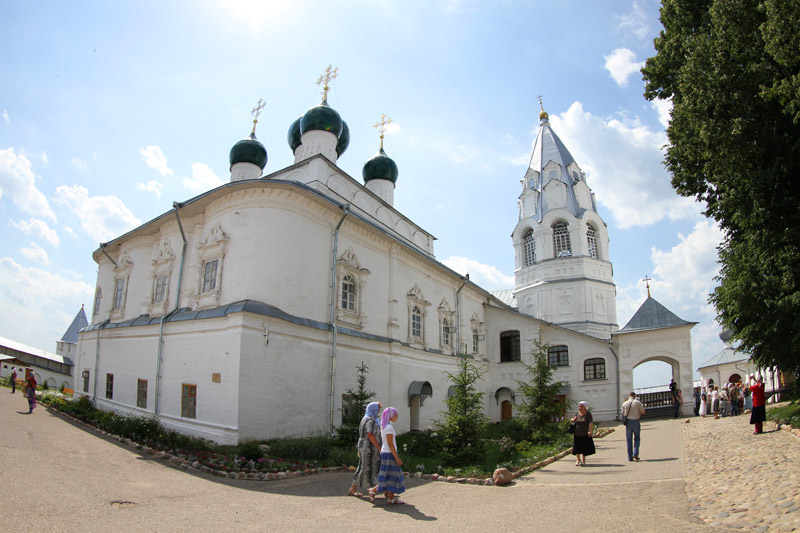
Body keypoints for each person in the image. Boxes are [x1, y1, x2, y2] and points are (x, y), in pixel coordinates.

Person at [348, 401, 382, 499]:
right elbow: (370, 434)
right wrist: (379, 447)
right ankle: (354, 488)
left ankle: (358, 487)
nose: (379, 411)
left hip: (366, 446)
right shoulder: (369, 420)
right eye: (378, 409)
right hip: (368, 447)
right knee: (364, 466)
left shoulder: (368, 418)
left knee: (364, 466)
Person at [375, 407, 405, 504]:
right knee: (393, 475)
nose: (397, 417)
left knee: (388, 474)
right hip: (389, 453)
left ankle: (390, 497)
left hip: (386, 452)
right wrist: (397, 458)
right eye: (396, 415)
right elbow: (390, 443)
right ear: (391, 416)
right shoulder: (388, 428)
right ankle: (374, 491)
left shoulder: (385, 426)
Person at [622, 392, 645, 462]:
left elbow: (623, 414)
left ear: (629, 396)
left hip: (628, 422)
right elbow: (643, 411)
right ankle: (635, 453)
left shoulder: (624, 404)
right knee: (637, 438)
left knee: (629, 440)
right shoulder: (637, 402)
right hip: (636, 421)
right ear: (634, 396)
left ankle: (630, 457)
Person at [570, 401, 595, 466]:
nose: (580, 408)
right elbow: (572, 419)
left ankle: (583, 460)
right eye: (579, 406)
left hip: (584, 433)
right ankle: (578, 460)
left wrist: (589, 431)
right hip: (577, 433)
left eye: (581, 406)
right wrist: (573, 419)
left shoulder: (588, 414)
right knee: (577, 447)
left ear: (585, 407)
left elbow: (590, 422)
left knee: (584, 447)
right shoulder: (576, 413)